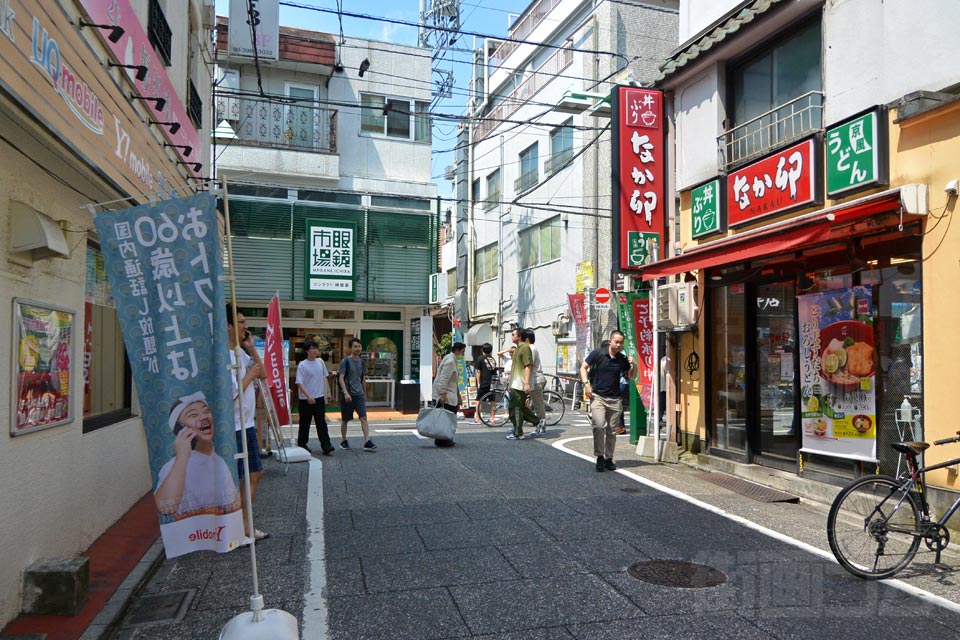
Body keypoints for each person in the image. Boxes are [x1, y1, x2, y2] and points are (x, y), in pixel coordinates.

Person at [154, 392, 241, 519]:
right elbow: (165, 508)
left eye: (206, 411)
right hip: (189, 535)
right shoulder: (174, 466)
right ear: (180, 428)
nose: (203, 417)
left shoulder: (220, 461)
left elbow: (232, 504)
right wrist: (182, 457)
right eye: (193, 415)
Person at [227, 308, 269, 541]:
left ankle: (243, 524)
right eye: (240, 322)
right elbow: (229, 396)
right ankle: (239, 525)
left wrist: (252, 349)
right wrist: (249, 376)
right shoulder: (224, 356)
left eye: (245, 322)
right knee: (241, 476)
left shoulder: (240, 353)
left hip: (246, 423)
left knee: (255, 473)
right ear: (227, 327)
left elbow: (262, 374)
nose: (245, 326)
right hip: (233, 425)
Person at [581, 330, 637, 472]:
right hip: (598, 396)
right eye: (616, 342)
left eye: (621, 342)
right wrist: (586, 384)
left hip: (615, 399)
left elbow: (631, 376)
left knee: (612, 431)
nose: (618, 345)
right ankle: (599, 456)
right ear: (611, 341)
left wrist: (634, 365)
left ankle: (608, 458)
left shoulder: (622, 359)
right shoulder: (598, 353)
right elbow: (583, 367)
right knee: (599, 426)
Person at [296, 340, 334, 455]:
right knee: (305, 423)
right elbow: (299, 383)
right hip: (305, 399)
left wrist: (328, 392)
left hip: (319, 397)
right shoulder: (302, 365)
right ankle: (302, 445)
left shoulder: (320, 362)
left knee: (321, 422)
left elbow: (325, 377)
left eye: (316, 348)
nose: (315, 350)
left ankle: (326, 446)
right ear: (307, 351)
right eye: (312, 348)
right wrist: (308, 396)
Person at [338, 337, 376, 451]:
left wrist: (364, 393)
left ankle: (367, 441)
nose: (357, 348)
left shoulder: (362, 362)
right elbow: (341, 378)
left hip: (359, 394)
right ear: (350, 348)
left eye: (359, 346)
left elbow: (362, 378)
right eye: (355, 346)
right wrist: (345, 393)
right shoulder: (345, 361)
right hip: (348, 394)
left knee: (363, 417)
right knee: (345, 419)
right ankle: (343, 440)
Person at [507, 327, 540, 440]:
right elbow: (514, 368)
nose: (511, 336)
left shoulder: (525, 348)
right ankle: (537, 421)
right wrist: (510, 384)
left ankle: (518, 433)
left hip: (521, 384)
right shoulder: (517, 349)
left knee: (515, 407)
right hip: (515, 384)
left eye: (513, 334)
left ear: (519, 336)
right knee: (520, 408)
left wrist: (526, 383)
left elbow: (528, 365)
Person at [432, 341, 466, 447]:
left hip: (448, 394)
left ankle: (443, 439)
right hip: (446, 396)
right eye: (462, 352)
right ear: (457, 350)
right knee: (446, 418)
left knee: (444, 418)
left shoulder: (449, 359)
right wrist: (442, 394)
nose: (463, 354)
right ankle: (443, 440)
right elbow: (444, 379)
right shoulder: (450, 361)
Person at [525, 328, 548, 437]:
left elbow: (529, 365)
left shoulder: (531, 348)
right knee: (528, 404)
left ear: (527, 339)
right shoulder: (530, 348)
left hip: (536, 380)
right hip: (533, 379)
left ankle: (541, 427)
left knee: (538, 405)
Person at [473, 343, 497, 424]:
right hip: (492, 383)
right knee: (492, 401)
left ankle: (478, 418)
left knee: (478, 400)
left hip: (484, 382)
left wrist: (478, 382)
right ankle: (492, 418)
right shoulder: (493, 359)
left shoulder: (480, 359)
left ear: (482, 350)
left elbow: (478, 372)